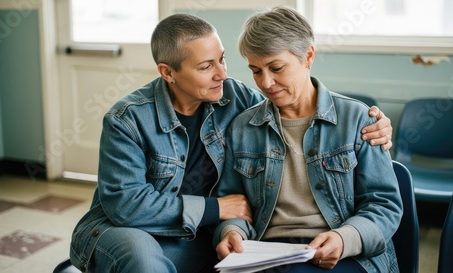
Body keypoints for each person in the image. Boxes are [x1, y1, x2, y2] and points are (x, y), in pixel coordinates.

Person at [69, 12, 394, 273]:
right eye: (206, 66)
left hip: (197, 232)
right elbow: (127, 206)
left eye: (222, 60)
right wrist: (220, 215)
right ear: (168, 73)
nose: (222, 74)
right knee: (142, 259)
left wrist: (373, 122)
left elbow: (301, 98)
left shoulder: (239, 100)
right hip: (132, 228)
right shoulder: (127, 119)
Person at [214, 6, 403, 273]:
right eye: (256, 71)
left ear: (308, 56)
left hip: (348, 253)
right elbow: (233, 203)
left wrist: (344, 238)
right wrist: (231, 232)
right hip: (269, 253)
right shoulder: (243, 128)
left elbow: (384, 204)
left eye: (276, 67)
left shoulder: (358, 119)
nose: (266, 82)